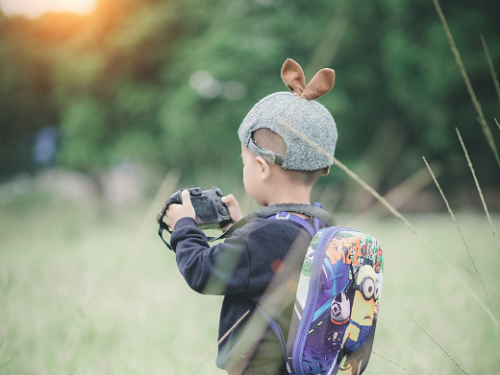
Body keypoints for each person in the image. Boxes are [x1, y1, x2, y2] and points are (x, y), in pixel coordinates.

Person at [165, 58, 338, 375]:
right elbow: (267, 264)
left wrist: (184, 226)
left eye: (245, 163)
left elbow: (204, 273)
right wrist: (239, 228)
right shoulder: (323, 225)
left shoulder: (262, 237)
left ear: (260, 167)